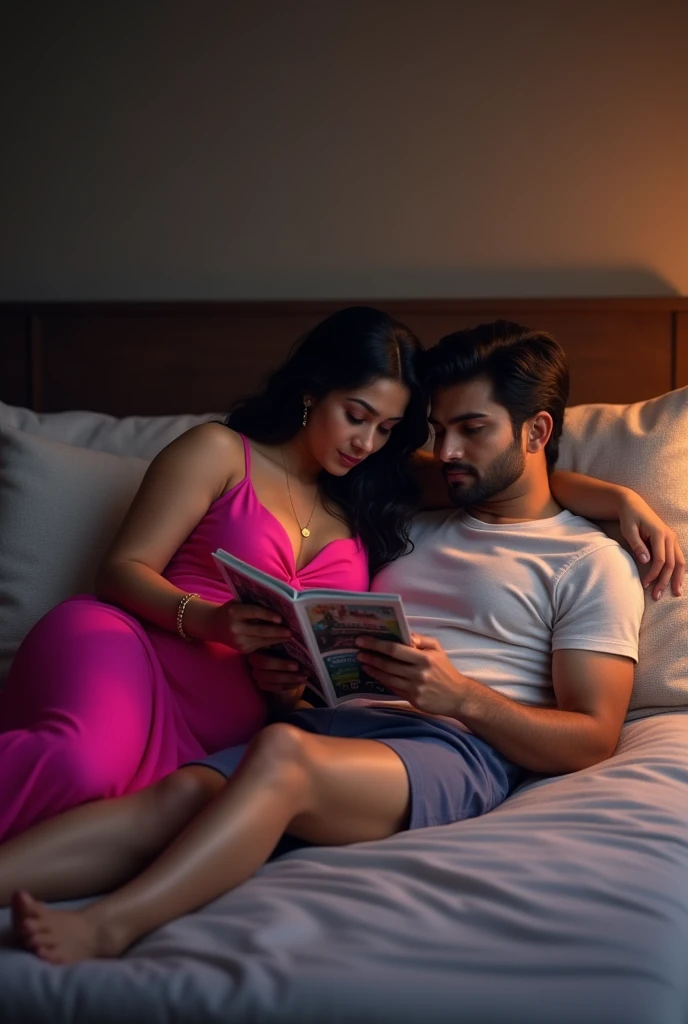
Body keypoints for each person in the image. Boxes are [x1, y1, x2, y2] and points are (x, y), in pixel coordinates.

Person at [5, 320, 685, 964]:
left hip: (451, 744)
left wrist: (465, 698)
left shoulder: (590, 560)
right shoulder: (413, 514)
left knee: (280, 755)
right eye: (436, 430)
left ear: (537, 430)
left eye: (470, 430)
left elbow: (594, 736)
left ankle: (109, 926)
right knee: (179, 798)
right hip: (329, 719)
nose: (445, 452)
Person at [0, 306, 429, 842]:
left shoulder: (361, 515)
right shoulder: (220, 451)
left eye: (386, 429)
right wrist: (211, 623)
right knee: (83, 768)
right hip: (129, 651)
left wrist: (286, 690)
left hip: (226, 732)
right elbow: (119, 570)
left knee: (137, 826)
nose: (366, 443)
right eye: (356, 415)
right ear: (311, 393)